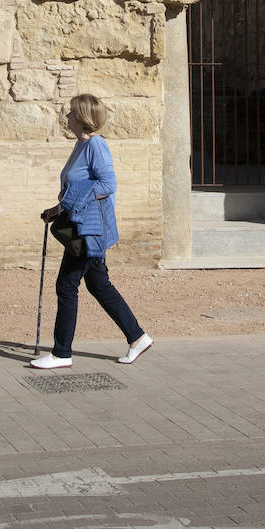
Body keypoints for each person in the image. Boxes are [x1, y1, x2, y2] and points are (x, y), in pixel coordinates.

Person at [31, 93, 153, 369]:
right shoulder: (80, 146)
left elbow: (108, 184)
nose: (68, 117)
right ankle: (137, 337)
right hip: (83, 225)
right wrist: (58, 209)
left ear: (83, 117)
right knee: (99, 284)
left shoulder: (96, 145)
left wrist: (73, 202)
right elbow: (76, 188)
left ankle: (62, 353)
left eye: (71, 113)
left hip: (90, 231)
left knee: (66, 285)